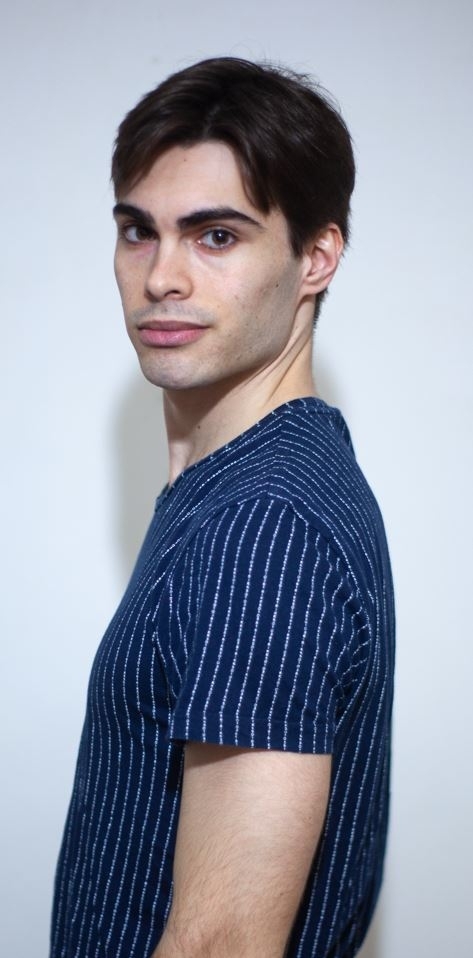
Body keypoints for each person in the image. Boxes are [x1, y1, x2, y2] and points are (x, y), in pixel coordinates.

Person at [50, 57, 395, 958]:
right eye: (138, 231)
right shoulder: (232, 488)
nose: (161, 276)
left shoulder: (262, 527)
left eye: (214, 236)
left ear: (315, 257)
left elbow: (223, 943)